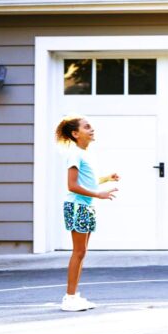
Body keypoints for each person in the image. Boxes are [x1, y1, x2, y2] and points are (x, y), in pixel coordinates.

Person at [55, 116, 119, 312]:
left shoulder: (85, 153)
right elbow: (72, 185)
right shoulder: (74, 154)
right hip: (77, 207)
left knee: (82, 252)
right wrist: (98, 195)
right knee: (79, 252)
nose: (92, 130)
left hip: (86, 206)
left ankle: (73, 296)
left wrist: (106, 178)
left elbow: (87, 182)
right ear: (76, 134)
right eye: (87, 127)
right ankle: (69, 298)